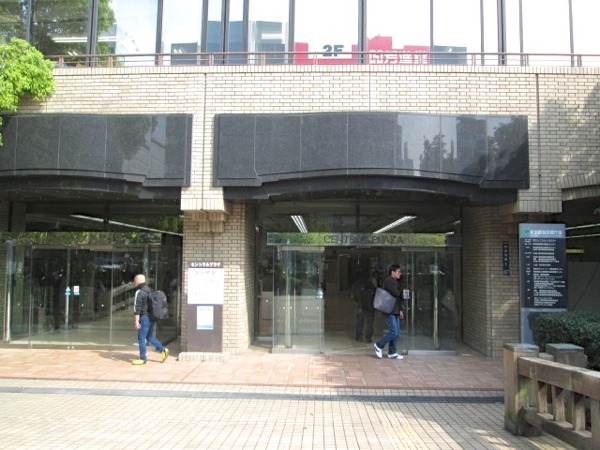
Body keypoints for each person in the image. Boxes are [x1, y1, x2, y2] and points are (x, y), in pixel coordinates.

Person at [132, 274, 169, 365]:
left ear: (137, 281)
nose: (134, 283)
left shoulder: (139, 292)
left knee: (141, 338)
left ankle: (142, 358)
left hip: (144, 318)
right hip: (152, 317)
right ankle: (163, 350)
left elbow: (137, 308)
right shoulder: (150, 290)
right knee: (149, 336)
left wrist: (136, 321)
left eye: (134, 281)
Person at [373, 264, 405, 360]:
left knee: (397, 333)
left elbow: (398, 297)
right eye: (398, 272)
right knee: (394, 332)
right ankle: (379, 345)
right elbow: (396, 293)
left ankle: (392, 352)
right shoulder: (389, 281)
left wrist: (401, 310)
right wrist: (402, 293)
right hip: (390, 310)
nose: (400, 273)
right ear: (392, 272)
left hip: (395, 310)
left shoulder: (395, 281)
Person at [351, 274, 375, 343]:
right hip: (370, 306)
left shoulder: (356, 285)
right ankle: (368, 338)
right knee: (370, 322)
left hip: (360, 305)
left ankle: (359, 337)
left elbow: (354, 297)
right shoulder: (371, 285)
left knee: (359, 322)